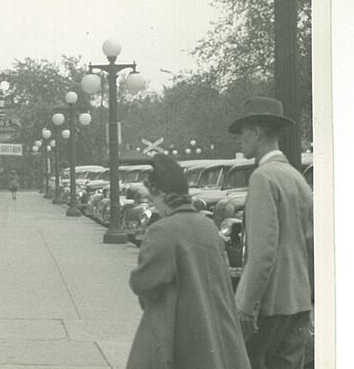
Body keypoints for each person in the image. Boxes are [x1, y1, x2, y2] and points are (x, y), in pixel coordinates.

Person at [126, 154, 250, 369]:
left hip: (180, 335)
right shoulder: (208, 227)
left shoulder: (162, 230)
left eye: (153, 198)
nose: (154, 204)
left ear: (162, 195)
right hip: (215, 331)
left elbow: (144, 282)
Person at [228, 96, 313, 368]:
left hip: (269, 304)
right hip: (298, 302)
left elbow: (263, 252)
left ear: (257, 131)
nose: (239, 139)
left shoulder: (263, 177)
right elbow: (310, 243)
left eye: (243, 131)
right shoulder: (296, 178)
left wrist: (245, 305)